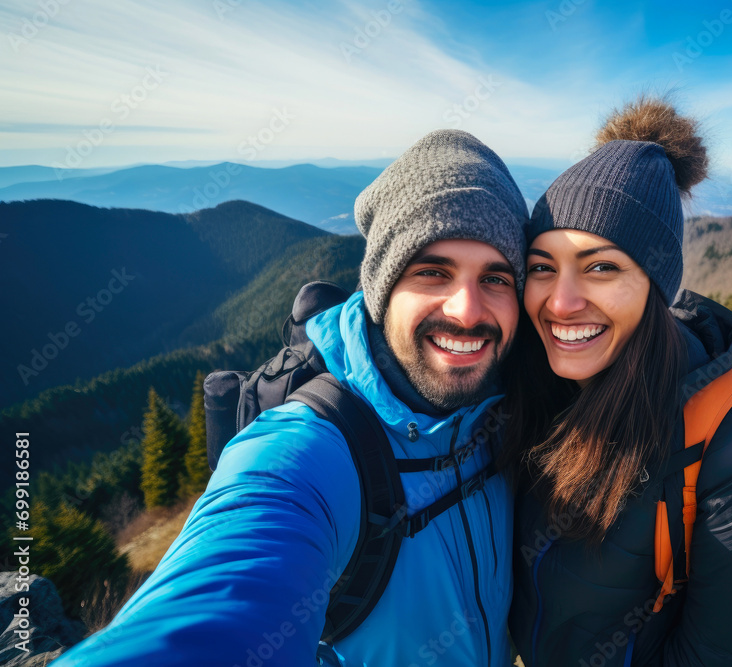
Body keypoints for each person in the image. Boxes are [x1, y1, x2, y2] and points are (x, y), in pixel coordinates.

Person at [53, 130, 529, 667]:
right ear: (381, 290)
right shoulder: (311, 452)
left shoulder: (512, 406)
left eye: (495, 277)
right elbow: (222, 596)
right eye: (432, 272)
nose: (467, 310)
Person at [504, 97, 732, 666]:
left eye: (601, 267)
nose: (560, 303)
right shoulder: (539, 374)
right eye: (543, 266)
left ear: (656, 287)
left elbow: (712, 655)